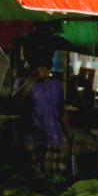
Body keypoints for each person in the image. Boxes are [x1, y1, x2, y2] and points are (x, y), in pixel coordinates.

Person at [14, 49, 70, 180]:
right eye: (38, 66)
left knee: (54, 179)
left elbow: (62, 111)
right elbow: (17, 100)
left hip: (54, 139)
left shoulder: (56, 85)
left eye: (44, 67)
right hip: (31, 140)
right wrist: (32, 79)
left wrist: (68, 135)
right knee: (34, 179)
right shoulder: (23, 82)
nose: (41, 70)